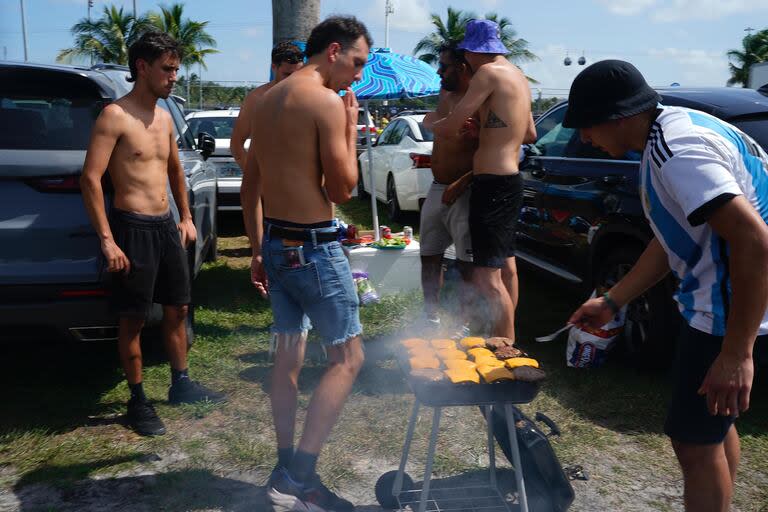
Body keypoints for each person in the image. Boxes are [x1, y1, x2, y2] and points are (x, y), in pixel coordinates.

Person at [565, 60, 768, 512]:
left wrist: (737, 353)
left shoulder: (677, 150)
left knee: (693, 444)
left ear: (618, 117)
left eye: (587, 126)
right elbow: (672, 235)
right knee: (713, 424)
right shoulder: (672, 131)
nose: (583, 138)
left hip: (728, 309)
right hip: (726, 303)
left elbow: (753, 239)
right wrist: (614, 299)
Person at [242, 16, 371, 512]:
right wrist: (351, 128)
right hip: (313, 247)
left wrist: (258, 248)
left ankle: (283, 462)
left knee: (289, 354)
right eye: (356, 63)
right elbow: (343, 190)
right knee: (348, 358)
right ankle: (298, 478)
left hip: (276, 241)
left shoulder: (265, 98)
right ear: (334, 50)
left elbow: (251, 182)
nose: (357, 75)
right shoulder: (323, 101)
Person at [80, 31, 224, 437]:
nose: (174, 76)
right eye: (167, 69)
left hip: (165, 225)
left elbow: (174, 168)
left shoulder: (163, 116)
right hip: (132, 229)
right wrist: (108, 240)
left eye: (177, 69)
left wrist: (186, 217)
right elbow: (90, 179)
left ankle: (181, 383)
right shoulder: (115, 116)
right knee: (134, 318)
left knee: (178, 308)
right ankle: (137, 400)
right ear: (141, 67)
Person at [432, 20, 537, 341]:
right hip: (509, 180)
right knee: (504, 269)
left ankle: (505, 347)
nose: (466, 62)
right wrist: (490, 131)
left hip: (492, 184)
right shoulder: (518, 76)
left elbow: (450, 128)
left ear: (474, 51)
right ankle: (505, 340)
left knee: (487, 278)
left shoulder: (487, 74)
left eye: (466, 54)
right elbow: (530, 133)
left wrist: (429, 120)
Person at [420, 41, 478, 336]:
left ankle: (463, 325)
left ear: (463, 67)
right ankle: (430, 317)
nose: (439, 72)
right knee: (429, 254)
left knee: (466, 262)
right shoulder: (445, 93)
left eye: (444, 66)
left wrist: (464, 180)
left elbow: (495, 150)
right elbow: (436, 126)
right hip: (436, 187)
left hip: (464, 191)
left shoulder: (480, 97)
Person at [230, 41, 304, 170]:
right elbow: (236, 146)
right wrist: (256, 179)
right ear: (273, 67)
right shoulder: (256, 99)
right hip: (267, 185)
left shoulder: (309, 98)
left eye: (297, 75)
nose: (292, 80)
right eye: (287, 74)